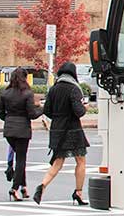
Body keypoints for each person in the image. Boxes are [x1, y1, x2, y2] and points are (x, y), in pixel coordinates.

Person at [32, 61, 89, 206]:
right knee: (80, 161)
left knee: (58, 162)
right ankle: (78, 192)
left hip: (57, 129)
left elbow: (47, 110)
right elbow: (79, 112)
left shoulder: (53, 89)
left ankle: (42, 186)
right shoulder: (74, 88)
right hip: (72, 129)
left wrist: (58, 118)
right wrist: (85, 107)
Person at [0, 67, 42, 201]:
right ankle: (14, 188)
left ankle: (24, 187)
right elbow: (32, 114)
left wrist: (8, 119)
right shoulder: (27, 93)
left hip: (9, 130)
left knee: (19, 157)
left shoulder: (5, 93)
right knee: (21, 160)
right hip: (22, 130)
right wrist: (42, 109)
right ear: (25, 78)